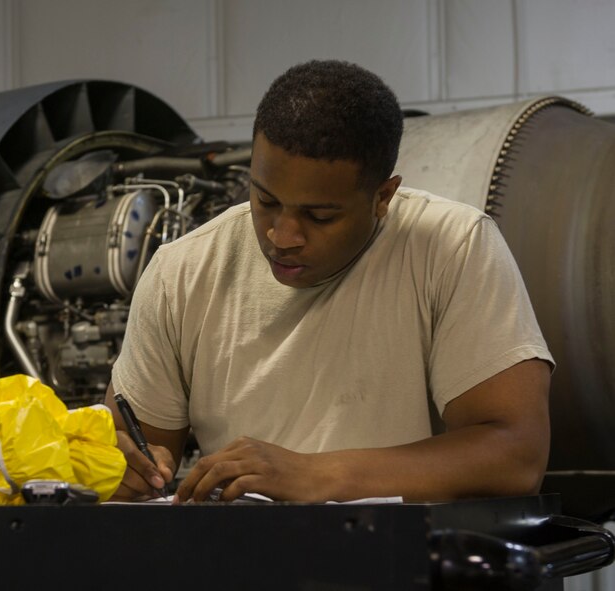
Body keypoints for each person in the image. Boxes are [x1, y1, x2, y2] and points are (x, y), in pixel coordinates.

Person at [104, 59, 553, 503]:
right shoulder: (180, 272)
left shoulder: (452, 248)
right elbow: (139, 454)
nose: (282, 237)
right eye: (265, 200)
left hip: (402, 564)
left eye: (319, 216)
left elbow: (515, 455)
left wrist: (317, 474)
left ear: (382, 197)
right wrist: (120, 467)